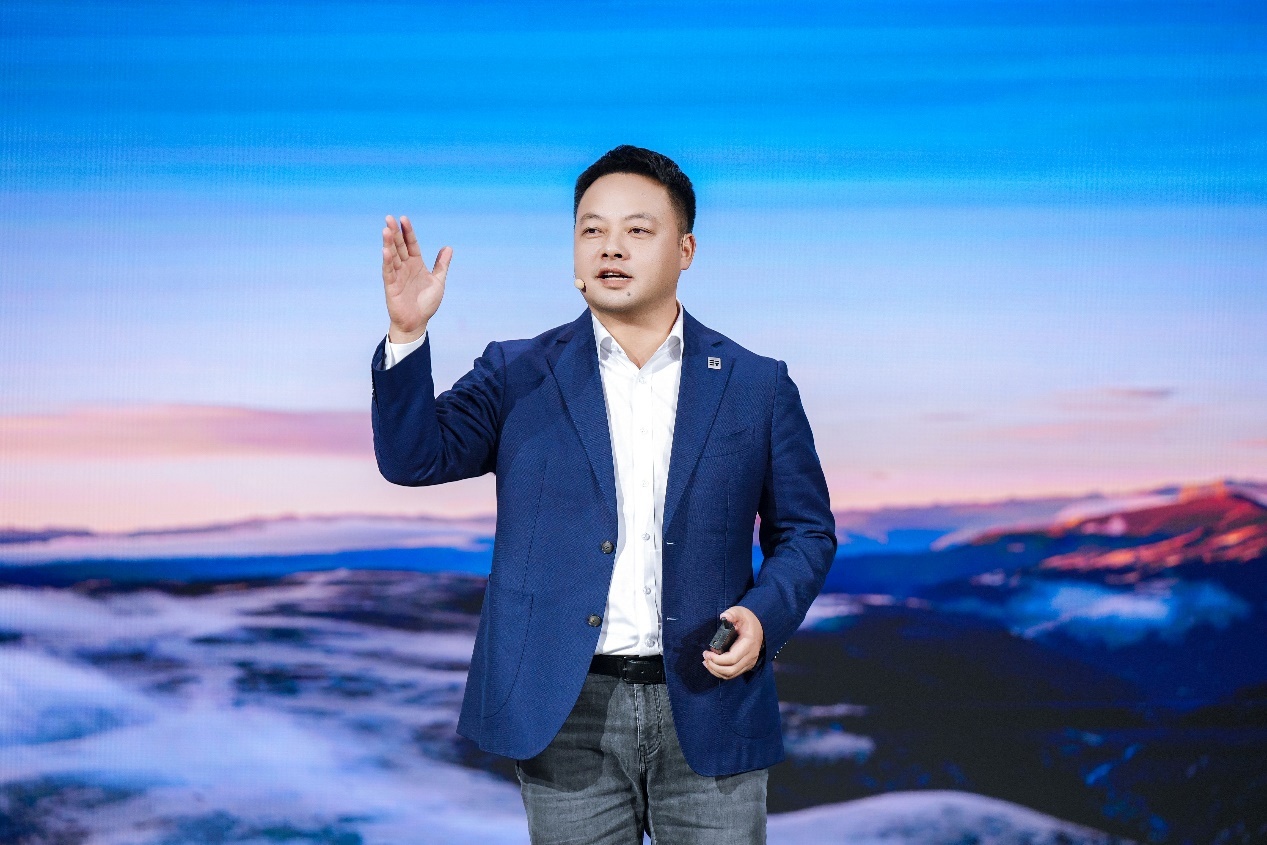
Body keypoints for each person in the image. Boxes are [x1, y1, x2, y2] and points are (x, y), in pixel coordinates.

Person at [370, 145, 836, 844]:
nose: (609, 248)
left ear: (685, 250)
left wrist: (765, 616)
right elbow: (413, 459)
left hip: (709, 696)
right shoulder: (517, 371)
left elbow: (805, 531)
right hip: (564, 707)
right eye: (591, 230)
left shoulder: (755, 384)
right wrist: (408, 334)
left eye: (636, 230)